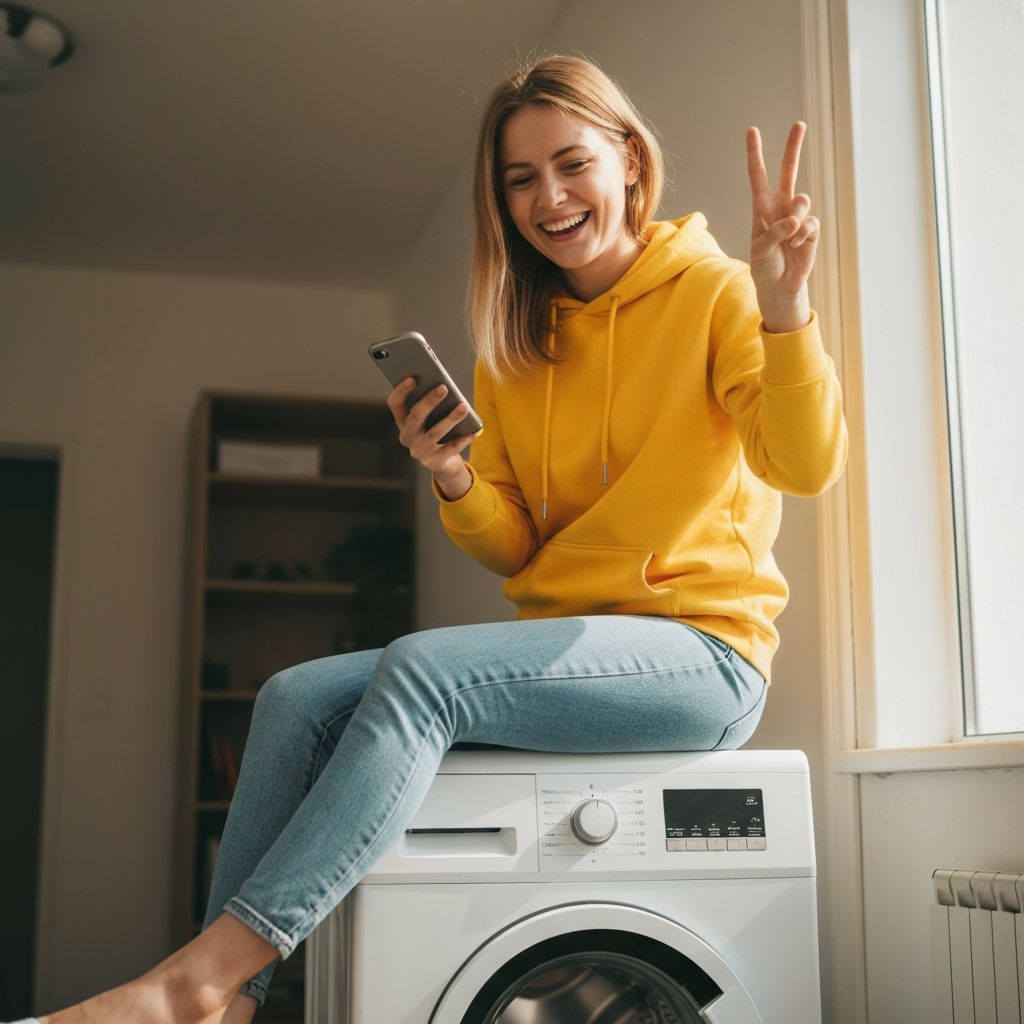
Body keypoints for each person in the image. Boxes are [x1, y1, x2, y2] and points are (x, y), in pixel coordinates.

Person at [14, 53, 846, 1024]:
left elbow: (803, 465)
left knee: (423, 673)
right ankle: (233, 1005)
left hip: (701, 656)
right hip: (567, 660)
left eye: (570, 163)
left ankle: (195, 983)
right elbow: (512, 548)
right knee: (294, 695)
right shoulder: (518, 345)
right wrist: (453, 473)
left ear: (627, 158)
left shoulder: (718, 291)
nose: (548, 197)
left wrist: (785, 310)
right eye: (519, 179)